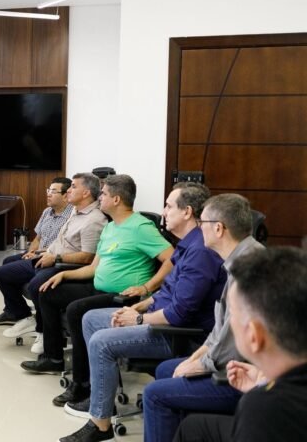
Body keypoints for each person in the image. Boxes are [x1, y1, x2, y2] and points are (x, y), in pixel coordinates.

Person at [55, 183, 227, 442]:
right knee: (90, 318)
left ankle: (100, 425)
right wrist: (141, 305)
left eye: (169, 206)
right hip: (159, 317)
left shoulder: (200, 252)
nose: (163, 212)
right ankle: (101, 399)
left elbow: (179, 314)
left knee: (102, 341)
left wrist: (137, 319)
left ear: (187, 212)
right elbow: (168, 291)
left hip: (176, 334)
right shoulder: (187, 244)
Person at [21, 175, 174, 378]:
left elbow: (172, 258)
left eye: (103, 194)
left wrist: (147, 288)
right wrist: (65, 274)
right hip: (97, 286)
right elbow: (93, 268)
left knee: (76, 310)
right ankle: (53, 359)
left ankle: (82, 381)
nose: (99, 197)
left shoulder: (141, 227)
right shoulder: (111, 227)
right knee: (48, 292)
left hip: (122, 296)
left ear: (116, 199)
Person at [142, 193, 265, 442]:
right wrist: (194, 359)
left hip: (243, 376)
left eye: (202, 223)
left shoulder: (248, 270)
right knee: (167, 369)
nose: (199, 229)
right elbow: (220, 329)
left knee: (154, 394)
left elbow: (231, 347)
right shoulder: (239, 259)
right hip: (234, 363)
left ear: (218, 228)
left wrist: (199, 365)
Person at [173, 247, 307, 442]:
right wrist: (262, 383)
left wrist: (262, 393)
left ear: (254, 335)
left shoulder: (264, 408)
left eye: (233, 315)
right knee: (192, 427)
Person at [0, 173, 106, 355]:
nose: (69, 191)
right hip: (49, 257)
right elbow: (55, 241)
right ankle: (23, 316)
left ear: (86, 193)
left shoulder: (94, 219)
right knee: (3, 273)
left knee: (36, 286)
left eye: (73, 187)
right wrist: (43, 252)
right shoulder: (76, 211)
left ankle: (43, 330)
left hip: (62, 264)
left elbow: (88, 257)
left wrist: (55, 258)